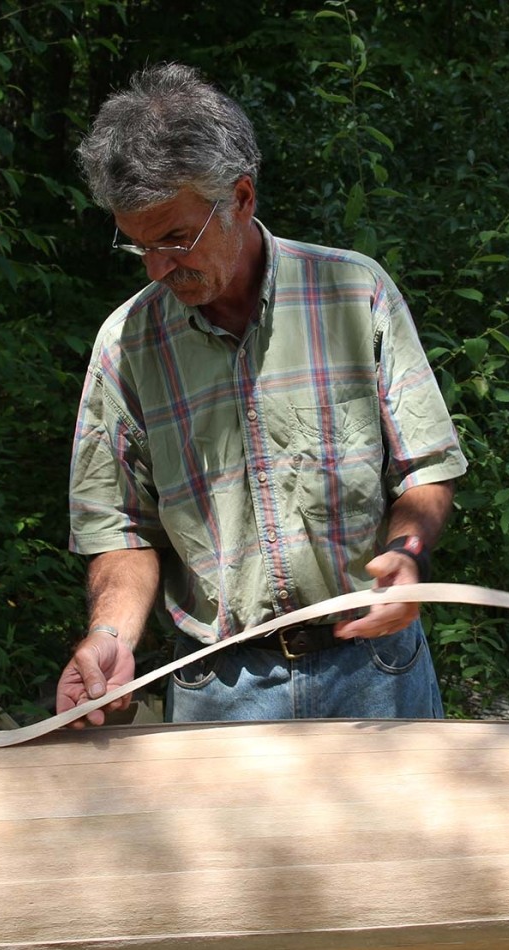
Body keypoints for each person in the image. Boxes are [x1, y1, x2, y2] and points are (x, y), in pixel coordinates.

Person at [55, 63, 467, 725]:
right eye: (139, 247)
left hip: (374, 669)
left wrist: (407, 553)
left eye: (175, 238)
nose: (160, 268)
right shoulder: (126, 345)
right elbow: (122, 528)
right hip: (218, 689)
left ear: (241, 198)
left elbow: (427, 469)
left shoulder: (354, 296)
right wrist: (110, 636)